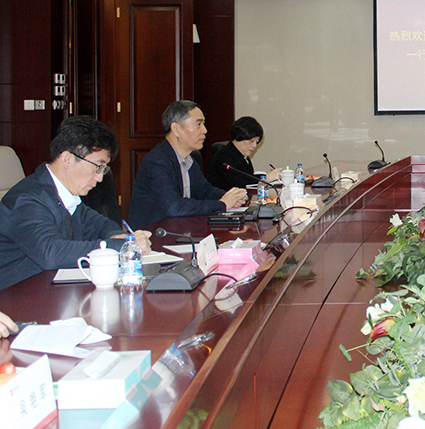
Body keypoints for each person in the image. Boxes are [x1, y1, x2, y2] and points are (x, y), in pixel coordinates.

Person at [0, 117, 152, 291]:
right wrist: (120, 247)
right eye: (97, 167)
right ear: (67, 159)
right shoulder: (27, 200)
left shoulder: (67, 197)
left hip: (50, 291)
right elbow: (51, 253)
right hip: (16, 297)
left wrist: (120, 238)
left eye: (103, 169)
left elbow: (102, 225)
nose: (99, 178)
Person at [128, 101, 248, 229]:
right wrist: (222, 204)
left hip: (180, 229)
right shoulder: (156, 162)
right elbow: (175, 207)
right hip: (154, 234)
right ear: (176, 129)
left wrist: (231, 197)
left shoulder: (190, 159)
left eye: (204, 124)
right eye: (198, 124)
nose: (205, 130)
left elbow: (205, 191)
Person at [207, 117, 283, 190]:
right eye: (251, 141)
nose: (254, 145)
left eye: (256, 142)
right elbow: (238, 181)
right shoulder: (223, 156)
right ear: (239, 136)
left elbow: (248, 177)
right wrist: (266, 178)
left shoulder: (243, 156)